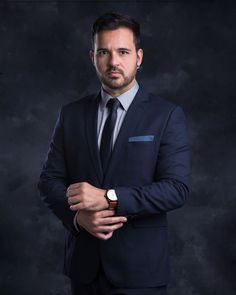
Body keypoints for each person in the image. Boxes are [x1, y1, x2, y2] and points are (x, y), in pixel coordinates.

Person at [38, 12, 190, 295]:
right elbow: (49, 181)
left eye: (123, 51)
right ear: (92, 57)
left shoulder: (166, 116)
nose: (113, 62)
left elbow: (176, 189)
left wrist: (109, 198)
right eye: (104, 52)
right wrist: (77, 218)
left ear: (139, 57)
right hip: (84, 270)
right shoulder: (71, 114)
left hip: (140, 272)